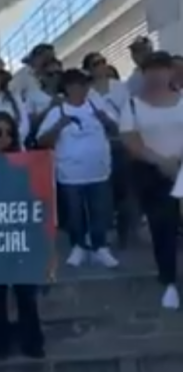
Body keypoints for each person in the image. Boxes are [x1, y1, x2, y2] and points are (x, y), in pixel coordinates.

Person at [37, 69, 119, 268]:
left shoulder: (98, 105)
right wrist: (58, 126)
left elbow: (116, 129)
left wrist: (105, 119)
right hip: (70, 174)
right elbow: (41, 140)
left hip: (99, 172)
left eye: (83, 84)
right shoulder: (58, 112)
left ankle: (100, 247)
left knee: (100, 211)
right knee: (75, 214)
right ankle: (78, 247)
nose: (79, 89)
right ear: (66, 88)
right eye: (74, 85)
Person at [0, 112, 45, 360]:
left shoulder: (25, 163)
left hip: (20, 234)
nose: (4, 138)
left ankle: (32, 341)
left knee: (26, 292)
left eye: (9, 133)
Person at [123, 51, 183, 309]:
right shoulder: (133, 105)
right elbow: (131, 140)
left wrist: (177, 160)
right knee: (163, 228)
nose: (158, 74)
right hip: (152, 175)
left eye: (163, 68)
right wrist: (161, 161)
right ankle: (168, 279)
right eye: (152, 69)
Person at [84, 52, 136, 246]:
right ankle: (104, 233)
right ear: (89, 69)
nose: (101, 66)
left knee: (123, 190)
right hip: (97, 146)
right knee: (103, 191)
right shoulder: (87, 92)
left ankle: (124, 233)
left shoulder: (120, 88)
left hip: (119, 143)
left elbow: (129, 113)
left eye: (103, 62)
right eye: (96, 63)